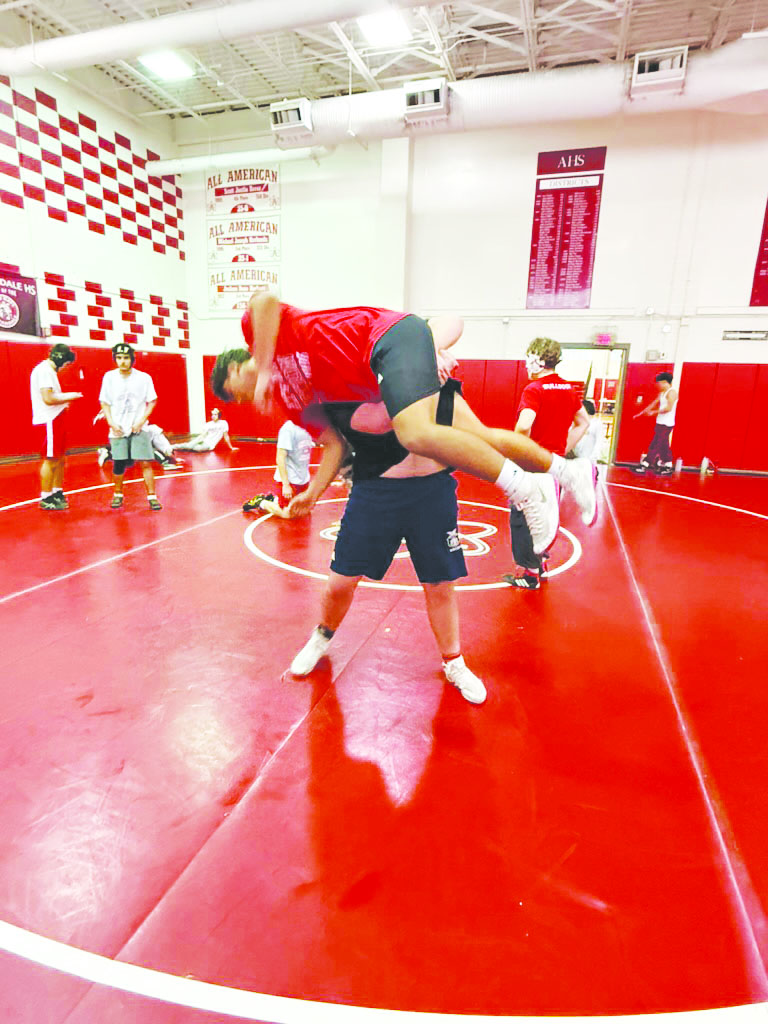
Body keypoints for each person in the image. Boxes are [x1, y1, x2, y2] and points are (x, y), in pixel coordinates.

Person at [210, 294, 598, 556]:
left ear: (240, 361)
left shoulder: (265, 337)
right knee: (480, 436)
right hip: (387, 377)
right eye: (241, 399)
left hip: (384, 337)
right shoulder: (293, 403)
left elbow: (262, 301)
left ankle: (526, 490)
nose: (250, 395)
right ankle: (568, 471)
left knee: (415, 432)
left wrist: (262, 367)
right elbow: (335, 447)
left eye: (240, 383)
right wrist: (311, 493)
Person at [289, 379, 486, 705]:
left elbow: (450, 326)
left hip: (432, 491)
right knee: (340, 581)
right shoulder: (354, 384)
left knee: (440, 585)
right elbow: (336, 442)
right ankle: (322, 636)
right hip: (374, 492)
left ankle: (454, 661)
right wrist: (313, 492)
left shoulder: (438, 380)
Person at [504, 337, 589, 590]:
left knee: (523, 517)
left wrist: (525, 451)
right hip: (554, 464)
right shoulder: (568, 389)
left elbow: (524, 425)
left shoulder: (534, 389)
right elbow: (583, 422)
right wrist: (563, 448)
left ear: (536, 360)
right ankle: (539, 564)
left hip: (533, 465)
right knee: (544, 512)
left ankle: (529, 574)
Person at [98, 343, 163, 510]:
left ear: (132, 359)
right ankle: (118, 494)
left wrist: (141, 421)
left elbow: (152, 401)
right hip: (118, 427)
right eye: (119, 358)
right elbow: (104, 402)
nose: (122, 361)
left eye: (126, 358)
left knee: (146, 462)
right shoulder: (109, 377)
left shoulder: (143, 378)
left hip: (139, 427)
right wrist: (111, 422)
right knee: (119, 463)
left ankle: (152, 497)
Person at [30, 343, 83, 510]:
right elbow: (48, 398)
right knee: (51, 458)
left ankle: (56, 490)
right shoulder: (45, 370)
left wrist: (63, 402)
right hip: (50, 419)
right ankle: (46, 496)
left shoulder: (47, 370)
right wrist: (71, 396)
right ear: (62, 360)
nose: (65, 369)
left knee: (59, 458)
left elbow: (51, 398)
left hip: (55, 418)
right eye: (67, 365)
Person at [242, 419, 313, 513]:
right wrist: (286, 485)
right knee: (287, 513)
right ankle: (262, 502)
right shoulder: (288, 429)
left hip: (303, 479)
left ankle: (274, 500)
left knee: (304, 511)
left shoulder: (308, 426)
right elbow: (280, 458)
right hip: (290, 479)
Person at [94, 414, 183, 470]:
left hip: (123, 432)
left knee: (129, 462)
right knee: (144, 445)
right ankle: (165, 461)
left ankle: (109, 452)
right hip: (122, 432)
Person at [633, 371, 678, 475]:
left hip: (667, 423)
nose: (658, 385)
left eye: (660, 383)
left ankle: (645, 464)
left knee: (656, 444)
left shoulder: (672, 393)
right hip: (660, 422)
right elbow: (652, 404)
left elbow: (669, 408)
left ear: (665, 382)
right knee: (663, 445)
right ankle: (668, 465)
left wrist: (654, 412)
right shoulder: (662, 393)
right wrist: (640, 414)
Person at [174, 408, 238, 452]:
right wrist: (194, 442)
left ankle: (185, 447)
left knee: (197, 448)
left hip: (209, 445)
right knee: (189, 445)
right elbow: (203, 435)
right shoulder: (208, 424)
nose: (213, 416)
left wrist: (231, 447)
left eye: (215, 414)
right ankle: (173, 447)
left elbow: (226, 436)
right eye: (212, 414)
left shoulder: (224, 423)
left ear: (219, 415)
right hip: (203, 441)